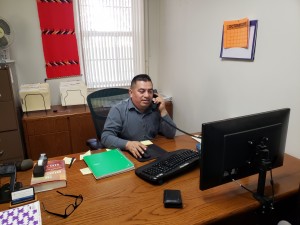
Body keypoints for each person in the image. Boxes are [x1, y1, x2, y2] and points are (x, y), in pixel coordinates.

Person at [101, 74, 176, 159]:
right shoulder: (118, 110)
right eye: (141, 91)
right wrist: (128, 144)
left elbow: (171, 134)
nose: (147, 95)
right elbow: (106, 137)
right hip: (127, 155)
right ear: (131, 93)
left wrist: (163, 110)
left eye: (150, 91)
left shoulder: (156, 108)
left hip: (152, 152)